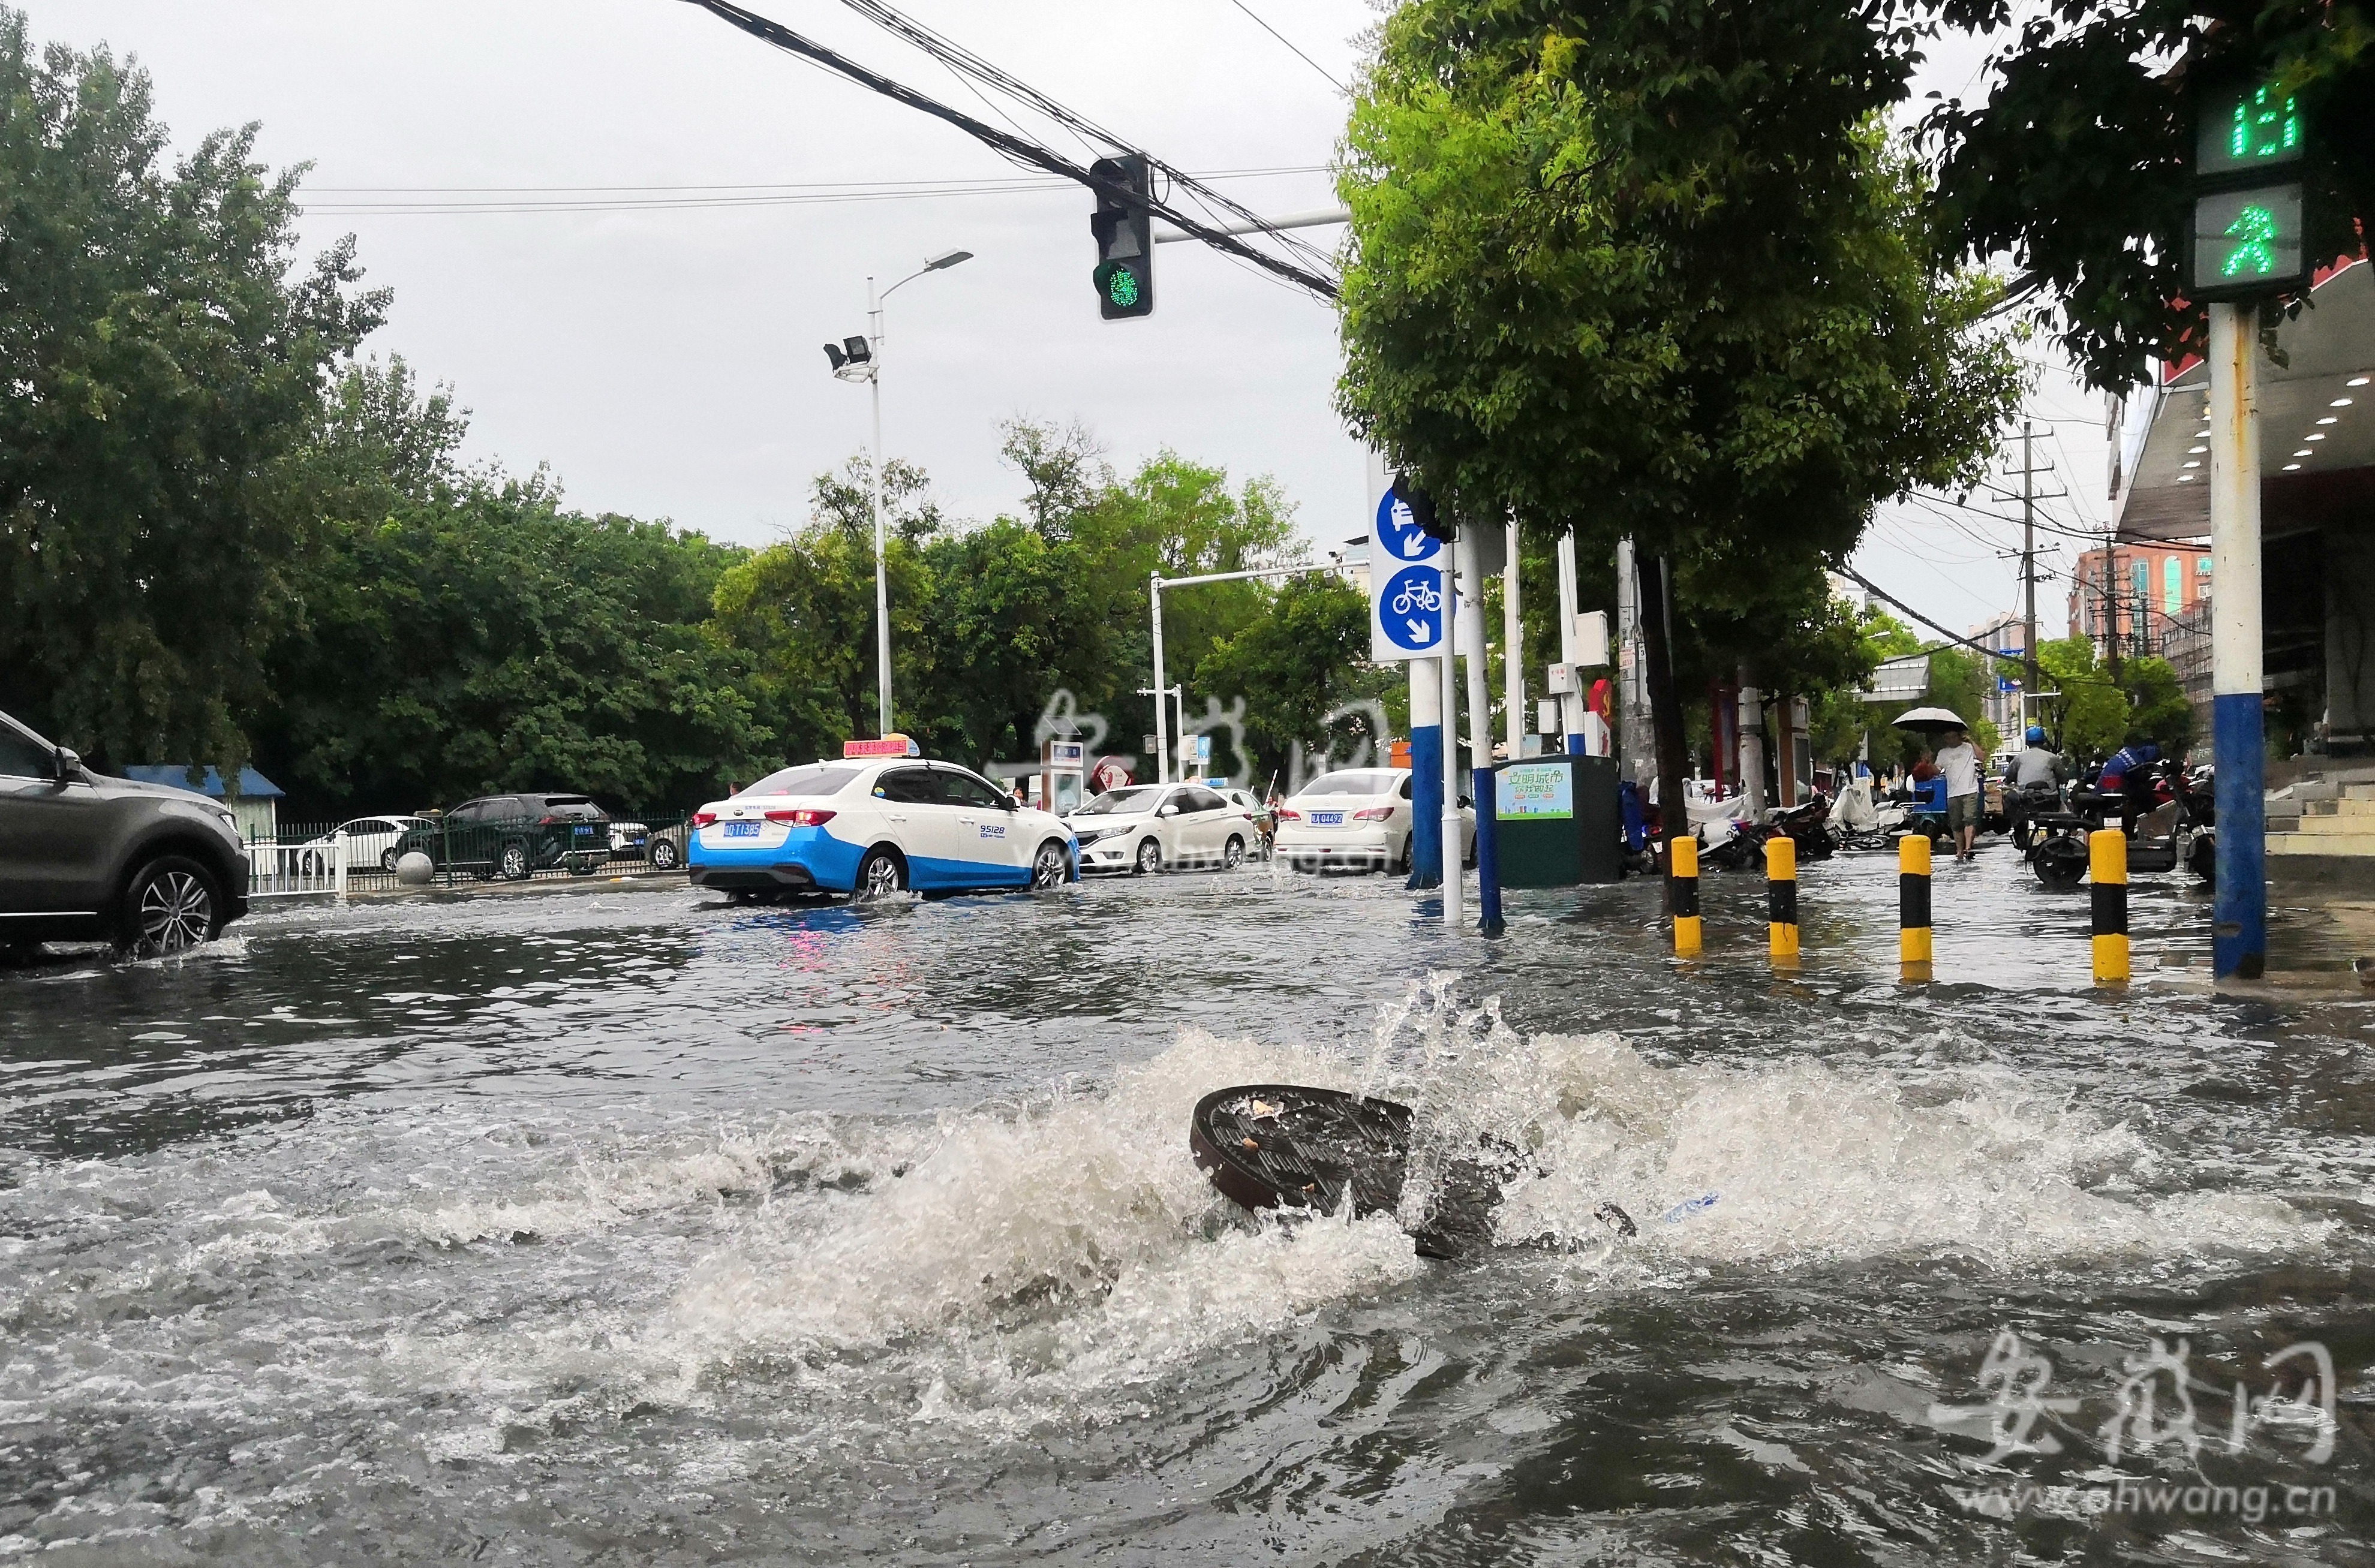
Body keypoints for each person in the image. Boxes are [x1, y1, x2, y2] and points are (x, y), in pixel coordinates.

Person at [2003, 725, 2061, 845]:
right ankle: (2053, 832)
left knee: (2010, 798)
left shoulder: (2019, 758)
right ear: (2044, 741)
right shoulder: (2053, 758)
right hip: (2049, 799)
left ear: (2028, 742)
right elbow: (2064, 777)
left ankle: (2017, 827)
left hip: (2026, 799)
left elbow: (2009, 776)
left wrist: (2010, 781)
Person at [1933, 725, 1983, 861]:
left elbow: (1982, 757)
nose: (1950, 740)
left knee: (1969, 819)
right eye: (1947, 738)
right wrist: (1927, 762)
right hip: (1953, 792)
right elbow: (1937, 770)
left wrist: (1972, 741)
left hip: (1970, 790)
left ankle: (1968, 848)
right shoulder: (1943, 753)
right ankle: (1959, 850)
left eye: (1953, 737)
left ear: (1959, 736)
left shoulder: (1968, 748)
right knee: (1956, 824)